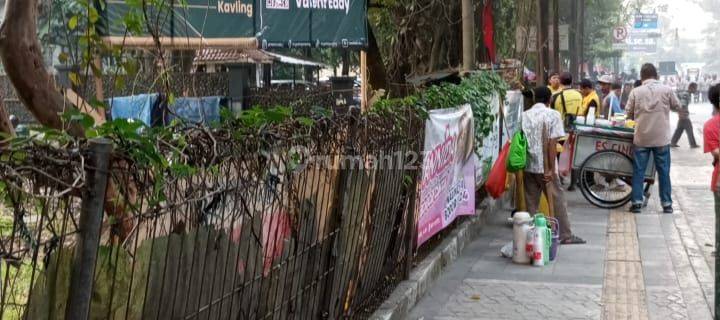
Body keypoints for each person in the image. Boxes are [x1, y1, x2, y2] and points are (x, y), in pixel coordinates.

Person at [522, 86, 585, 244]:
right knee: (557, 200)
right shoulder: (553, 115)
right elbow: (551, 143)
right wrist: (549, 169)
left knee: (531, 202)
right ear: (549, 100)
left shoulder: (524, 115)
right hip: (545, 167)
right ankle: (565, 235)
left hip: (528, 164)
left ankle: (531, 235)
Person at [626, 63, 681, 214]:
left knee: (639, 171)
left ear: (641, 76)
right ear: (656, 75)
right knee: (663, 171)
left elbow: (628, 113)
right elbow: (677, 105)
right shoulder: (667, 89)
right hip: (661, 138)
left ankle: (637, 202)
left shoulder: (636, 91)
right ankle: (667, 204)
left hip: (642, 137)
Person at [671, 83, 700, 148]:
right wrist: (683, 114)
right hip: (683, 115)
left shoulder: (687, 94)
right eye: (695, 88)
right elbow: (683, 105)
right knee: (689, 128)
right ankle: (693, 144)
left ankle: (673, 142)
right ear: (691, 88)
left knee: (680, 129)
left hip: (682, 114)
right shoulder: (686, 94)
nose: (696, 90)